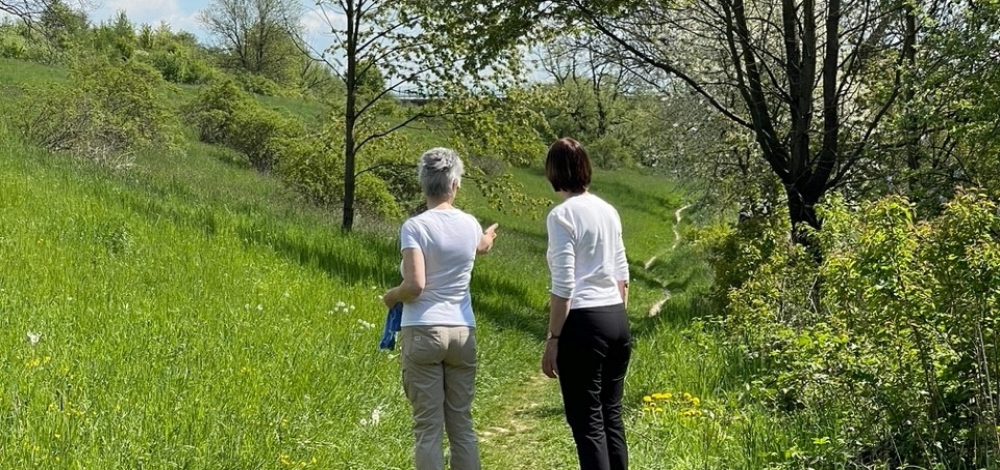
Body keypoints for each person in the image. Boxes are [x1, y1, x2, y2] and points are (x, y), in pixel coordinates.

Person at [382, 147, 498, 470]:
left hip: (422, 330)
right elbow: (481, 246)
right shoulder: (470, 224)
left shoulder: (415, 227)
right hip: (462, 331)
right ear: (455, 185)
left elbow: (415, 285)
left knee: (428, 429)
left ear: (424, 184)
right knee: (461, 424)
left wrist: (391, 296)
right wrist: (487, 237)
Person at [541, 137, 631, 470]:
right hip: (616, 318)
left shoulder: (562, 216)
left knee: (588, 424)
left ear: (553, 172)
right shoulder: (608, 211)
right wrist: (618, 314)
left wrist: (553, 339)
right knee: (611, 416)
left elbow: (564, 285)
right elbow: (623, 276)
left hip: (583, 322)